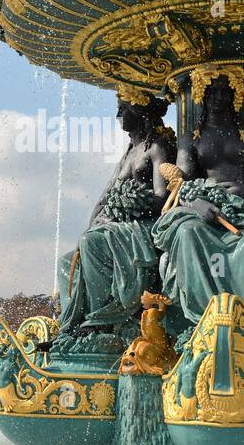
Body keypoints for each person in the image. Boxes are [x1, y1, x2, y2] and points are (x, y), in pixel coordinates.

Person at [152, 67, 244, 343]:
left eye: (225, 91)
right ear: (202, 95)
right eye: (212, 91)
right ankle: (204, 323)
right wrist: (196, 204)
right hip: (205, 208)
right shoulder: (190, 138)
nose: (218, 97)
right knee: (186, 234)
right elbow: (181, 182)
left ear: (236, 95)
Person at [56, 90, 177, 340]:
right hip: (119, 225)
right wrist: (89, 228)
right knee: (68, 261)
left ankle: (101, 321)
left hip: (145, 223)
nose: (118, 114)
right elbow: (103, 198)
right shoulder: (127, 154)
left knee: (92, 243)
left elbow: (162, 198)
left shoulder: (156, 147)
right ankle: (71, 325)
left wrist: (127, 206)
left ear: (140, 110)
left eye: (123, 108)